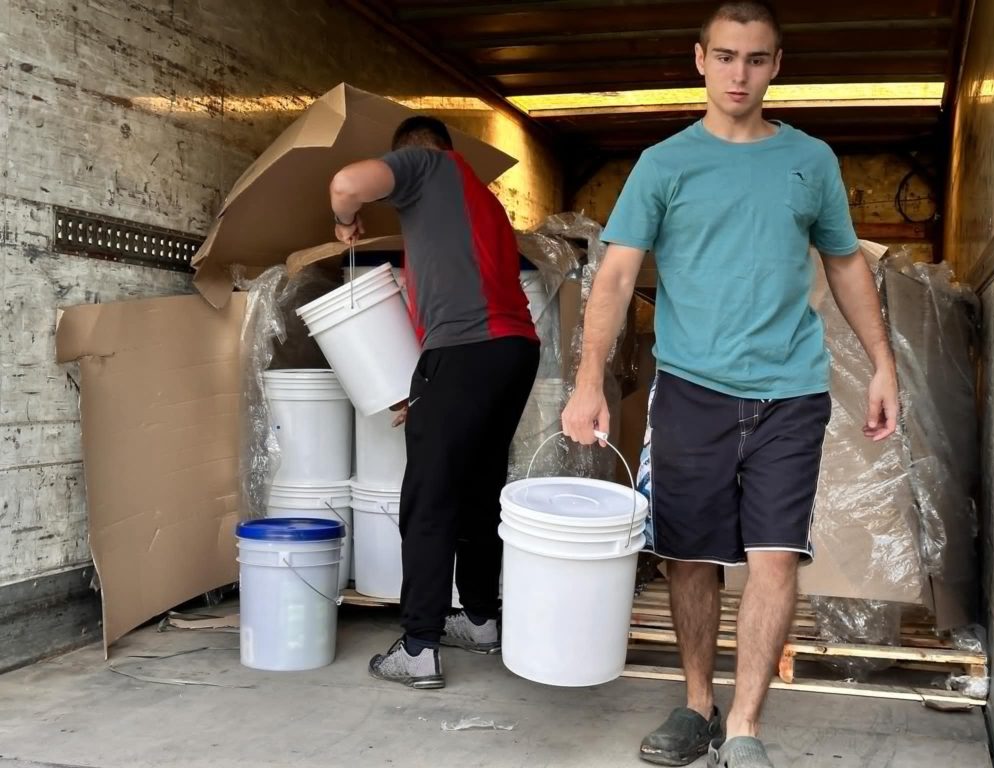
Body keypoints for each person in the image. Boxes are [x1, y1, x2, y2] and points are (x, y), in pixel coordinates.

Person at [561, 2, 899, 766]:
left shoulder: (811, 162)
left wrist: (883, 363)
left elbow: (845, 262)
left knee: (775, 555)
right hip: (689, 389)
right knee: (689, 556)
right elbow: (613, 275)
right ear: (699, 60)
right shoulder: (664, 164)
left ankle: (744, 726)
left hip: (790, 390)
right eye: (725, 57)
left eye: (755, 59)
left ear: (777, 65)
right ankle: (696, 707)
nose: (738, 74)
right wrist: (588, 382)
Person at [329, 116, 540, 689]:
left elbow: (346, 183)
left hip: (467, 350)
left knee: (427, 497)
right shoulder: (481, 200)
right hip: (514, 352)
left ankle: (419, 645)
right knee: (477, 490)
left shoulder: (426, 165)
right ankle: (476, 617)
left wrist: (345, 222)